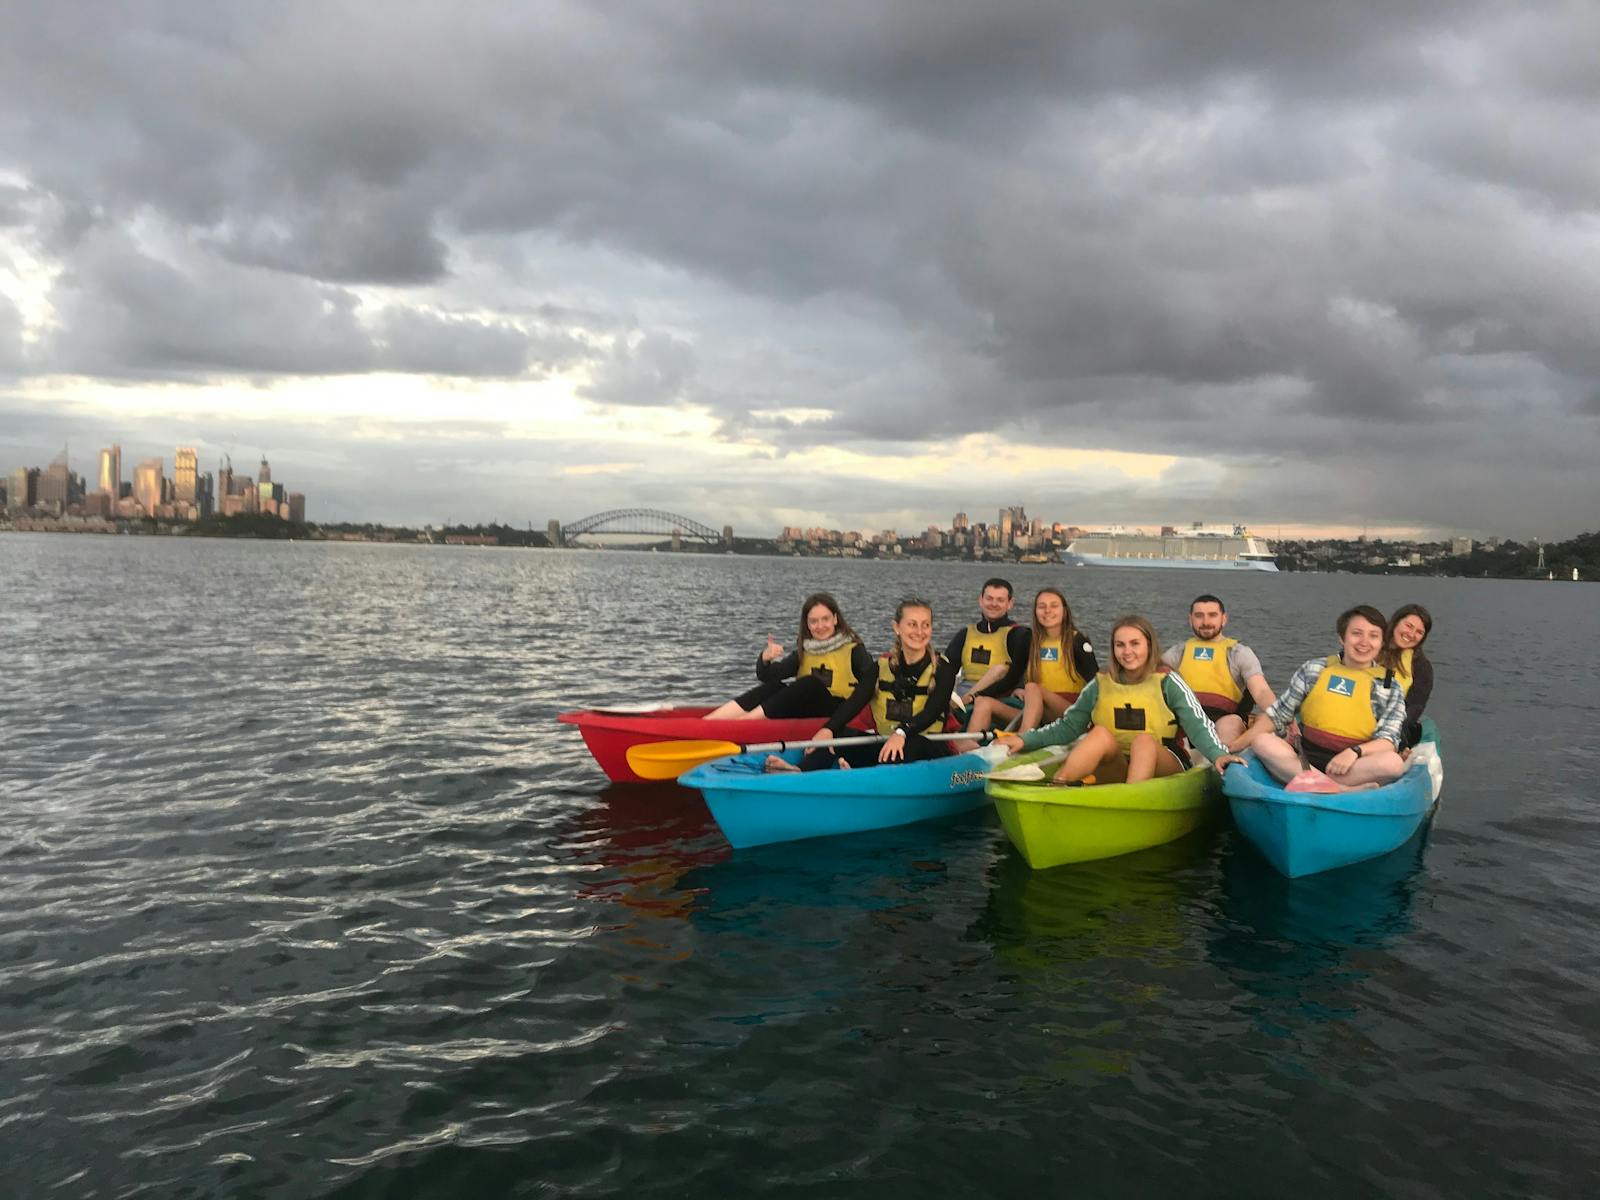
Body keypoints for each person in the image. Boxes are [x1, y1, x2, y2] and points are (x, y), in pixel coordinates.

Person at [996, 614, 1243, 785]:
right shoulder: (1101, 683)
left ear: (1149, 645)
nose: (1127, 651)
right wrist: (1023, 739)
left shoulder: (1168, 682)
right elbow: (1068, 727)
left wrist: (1218, 754)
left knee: (1143, 742)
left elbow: (1198, 726)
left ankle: (1130, 803)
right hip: (1118, 763)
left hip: (1164, 762)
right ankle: (1058, 787)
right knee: (1099, 734)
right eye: (1120, 645)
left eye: (1135, 643)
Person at [775, 597, 959, 771]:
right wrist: (828, 729)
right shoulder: (880, 667)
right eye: (912, 624)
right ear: (897, 627)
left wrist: (902, 733)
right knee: (839, 734)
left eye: (925, 625)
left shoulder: (943, 668)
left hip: (927, 747)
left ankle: (860, 776)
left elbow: (931, 712)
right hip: (887, 742)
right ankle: (799, 771)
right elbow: (855, 701)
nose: (919, 632)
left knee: (910, 745)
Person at [1244, 605, 1407, 789]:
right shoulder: (1315, 669)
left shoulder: (1389, 686)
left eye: (1373, 636)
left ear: (1382, 642)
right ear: (1342, 637)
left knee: (1393, 763)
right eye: (1356, 633)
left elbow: (1388, 741)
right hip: (1305, 758)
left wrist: (1355, 752)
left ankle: (1314, 782)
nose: (1364, 642)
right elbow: (1278, 715)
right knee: (1261, 741)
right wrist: (1234, 746)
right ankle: (1339, 790)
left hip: (1353, 765)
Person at [704, 592, 874, 725]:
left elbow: (871, 683)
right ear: (807, 624)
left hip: (839, 712)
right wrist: (765, 658)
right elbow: (768, 675)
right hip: (806, 711)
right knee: (774, 687)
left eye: (825, 619)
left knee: (810, 683)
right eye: (813, 621)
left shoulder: (855, 650)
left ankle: (742, 724)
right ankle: (707, 723)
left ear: (835, 619)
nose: (820, 626)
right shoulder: (805, 650)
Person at [965, 586, 1096, 737]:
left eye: (1054, 606)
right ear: (1035, 611)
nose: (1047, 611)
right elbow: (1010, 680)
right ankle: (967, 748)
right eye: (1041, 606)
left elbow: (1096, 684)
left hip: (1070, 715)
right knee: (984, 703)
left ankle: (1023, 738)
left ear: (1064, 611)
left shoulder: (1078, 642)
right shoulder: (1028, 640)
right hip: (1036, 712)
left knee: (1033, 688)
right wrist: (975, 696)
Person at [1160, 594, 1278, 749]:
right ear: (1190, 619)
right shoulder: (1177, 653)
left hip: (1225, 721)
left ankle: (1220, 758)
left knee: (1231, 724)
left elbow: (1261, 691)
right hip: (1184, 720)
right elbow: (1153, 687)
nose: (1206, 622)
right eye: (1199, 616)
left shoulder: (1239, 653)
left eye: (1212, 615)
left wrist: (1279, 714)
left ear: (1224, 619)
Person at [943, 578, 1031, 707]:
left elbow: (1025, 669)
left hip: (997, 697)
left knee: (1001, 669)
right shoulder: (965, 634)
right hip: (963, 691)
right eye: (989, 598)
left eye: (1000, 600)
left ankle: (960, 706)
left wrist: (1021, 687)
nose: (994, 604)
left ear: (1010, 603)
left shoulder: (1018, 634)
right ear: (981, 600)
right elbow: (947, 670)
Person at [1380, 603, 1434, 749]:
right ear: (1396, 622)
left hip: (1390, 729)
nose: (1411, 634)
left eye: (1419, 632)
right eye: (1408, 626)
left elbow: (1415, 707)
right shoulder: (1368, 648)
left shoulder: (1421, 667)